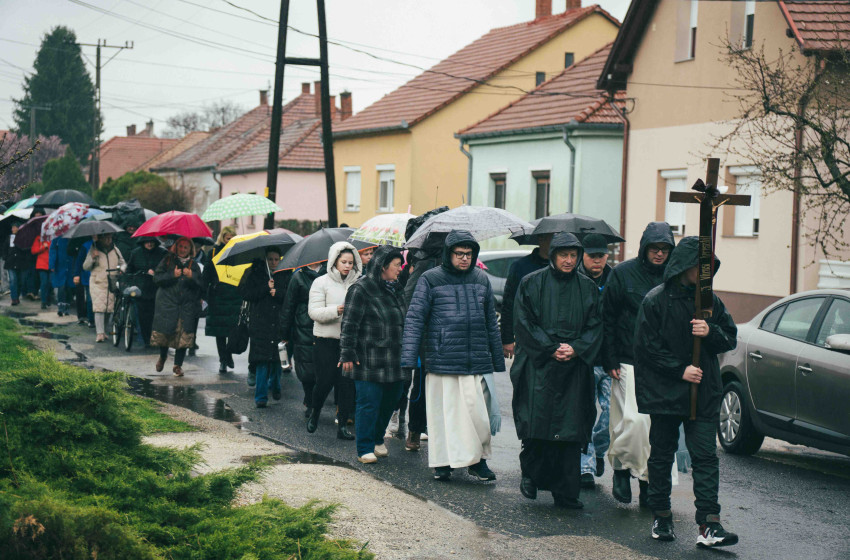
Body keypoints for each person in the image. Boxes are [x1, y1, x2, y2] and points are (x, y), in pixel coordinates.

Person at [634, 236, 738, 547]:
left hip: (703, 393)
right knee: (662, 456)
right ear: (684, 266)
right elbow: (645, 348)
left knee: (705, 458)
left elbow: (729, 338)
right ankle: (662, 517)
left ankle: (709, 525)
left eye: (709, 267)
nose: (706, 272)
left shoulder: (710, 303)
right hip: (666, 394)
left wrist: (710, 331)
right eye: (700, 266)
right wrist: (680, 370)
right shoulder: (656, 301)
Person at [402, 230, 505, 482]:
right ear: (449, 254)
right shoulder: (430, 279)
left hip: (475, 359)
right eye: (459, 253)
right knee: (443, 416)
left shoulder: (481, 278)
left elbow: (491, 321)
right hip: (442, 358)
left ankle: (477, 461)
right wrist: (408, 358)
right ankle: (443, 463)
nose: (464, 258)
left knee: (477, 416)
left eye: (469, 254)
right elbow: (415, 319)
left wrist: (497, 359)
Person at [510, 232, 602, 508]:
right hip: (539, 365)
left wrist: (576, 348)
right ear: (553, 256)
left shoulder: (587, 288)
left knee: (571, 429)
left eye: (574, 255)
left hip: (574, 368)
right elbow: (523, 321)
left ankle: (566, 491)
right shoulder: (532, 282)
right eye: (564, 255)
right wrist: (550, 347)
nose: (569, 260)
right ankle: (532, 475)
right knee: (537, 422)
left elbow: (596, 325)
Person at [602, 222, 675, 505]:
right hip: (627, 359)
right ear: (645, 248)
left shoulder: (674, 277)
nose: (659, 254)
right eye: (655, 249)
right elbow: (606, 316)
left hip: (662, 363)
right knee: (632, 421)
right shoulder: (622, 274)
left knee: (656, 428)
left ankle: (648, 483)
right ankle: (621, 469)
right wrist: (608, 357)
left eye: (665, 249)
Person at [339, 245, 408, 463]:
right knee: (368, 403)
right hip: (368, 357)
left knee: (392, 399)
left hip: (395, 357)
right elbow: (349, 324)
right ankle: (365, 447)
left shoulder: (397, 288)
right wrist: (347, 353)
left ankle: (378, 438)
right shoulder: (361, 289)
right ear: (383, 266)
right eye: (397, 265)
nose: (400, 269)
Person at [306, 242, 362, 439]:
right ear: (334, 262)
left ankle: (342, 426)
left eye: (350, 262)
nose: (347, 266)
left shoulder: (358, 283)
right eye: (343, 262)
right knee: (324, 382)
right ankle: (315, 412)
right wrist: (337, 310)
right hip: (325, 341)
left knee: (346, 384)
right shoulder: (320, 282)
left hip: (348, 342)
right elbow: (313, 312)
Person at [576, 233, 614, 489]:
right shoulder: (575, 280)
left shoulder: (616, 280)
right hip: (583, 359)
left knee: (610, 414)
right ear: (583, 257)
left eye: (601, 256)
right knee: (584, 414)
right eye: (592, 257)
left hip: (610, 359)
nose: (597, 261)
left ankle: (599, 451)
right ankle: (585, 466)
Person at [150, 237, 203, 377]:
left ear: (190, 249)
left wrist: (192, 276)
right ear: (176, 247)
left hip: (186, 305)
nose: (183, 249)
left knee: (183, 335)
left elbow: (200, 285)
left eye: (186, 247)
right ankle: (163, 356)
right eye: (180, 246)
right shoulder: (167, 261)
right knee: (166, 333)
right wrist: (172, 275)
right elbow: (157, 278)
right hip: (168, 303)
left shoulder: (194, 265)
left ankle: (178, 365)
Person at [241, 249, 286, 408]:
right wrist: (265, 288)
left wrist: (277, 293)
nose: (273, 262)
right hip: (260, 323)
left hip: (279, 322)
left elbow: (290, 297)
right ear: (265, 260)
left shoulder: (285, 274)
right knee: (261, 360)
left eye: (276, 259)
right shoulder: (256, 274)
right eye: (270, 259)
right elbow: (246, 294)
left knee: (277, 359)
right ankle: (260, 396)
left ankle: (276, 386)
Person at [281, 261, 324, 417]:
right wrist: (284, 332)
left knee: (321, 366)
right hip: (303, 325)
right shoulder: (298, 277)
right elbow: (289, 305)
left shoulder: (329, 273)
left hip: (323, 322)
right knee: (305, 365)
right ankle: (310, 400)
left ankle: (316, 400)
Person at [500, 233, 553, 359]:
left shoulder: (562, 267)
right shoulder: (521, 267)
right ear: (541, 239)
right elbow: (509, 303)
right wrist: (507, 339)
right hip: (527, 336)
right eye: (553, 237)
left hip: (555, 337)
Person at [203, 227, 241, 373]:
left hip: (234, 295)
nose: (229, 240)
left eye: (232, 237)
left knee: (232, 330)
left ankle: (228, 354)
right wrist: (205, 294)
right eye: (227, 237)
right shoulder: (213, 252)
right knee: (220, 332)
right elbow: (207, 273)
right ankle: (223, 360)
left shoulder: (238, 253)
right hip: (217, 295)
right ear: (222, 238)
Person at [83, 233, 125, 342]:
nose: (108, 240)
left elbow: (123, 262)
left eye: (110, 237)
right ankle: (99, 333)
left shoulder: (115, 249)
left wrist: (121, 269)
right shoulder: (94, 248)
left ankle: (104, 331)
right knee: (99, 308)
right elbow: (86, 267)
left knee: (109, 309)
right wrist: (92, 258)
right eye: (106, 238)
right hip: (97, 281)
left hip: (111, 282)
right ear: (100, 238)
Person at [126, 237, 167, 345]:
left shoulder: (162, 253)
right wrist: (143, 272)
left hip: (156, 288)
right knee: (143, 316)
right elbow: (129, 270)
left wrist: (156, 271)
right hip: (141, 289)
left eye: (152, 241)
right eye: (147, 241)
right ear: (143, 242)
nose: (149, 244)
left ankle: (155, 338)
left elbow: (167, 268)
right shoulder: (136, 253)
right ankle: (146, 339)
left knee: (156, 315)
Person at [49, 236, 76, 316]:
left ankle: (67, 306)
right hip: (60, 265)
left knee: (69, 287)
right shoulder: (57, 238)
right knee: (61, 286)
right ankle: (60, 307)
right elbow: (52, 250)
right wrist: (52, 265)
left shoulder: (73, 237)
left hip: (71, 265)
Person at [73, 240, 94, 326]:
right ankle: (91, 319)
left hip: (99, 276)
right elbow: (79, 261)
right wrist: (77, 274)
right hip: (88, 275)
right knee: (90, 298)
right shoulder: (86, 246)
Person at [4, 224, 26, 305]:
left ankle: (17, 295)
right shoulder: (8, 238)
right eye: (12, 227)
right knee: (13, 280)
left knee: (20, 281)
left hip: (20, 262)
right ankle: (14, 298)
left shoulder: (23, 237)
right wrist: (5, 257)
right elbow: (5, 248)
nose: (13, 229)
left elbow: (25, 249)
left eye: (15, 227)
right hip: (10, 262)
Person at [31, 237, 52, 309]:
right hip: (41, 264)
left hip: (51, 264)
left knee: (50, 283)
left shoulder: (53, 238)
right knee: (44, 283)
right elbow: (33, 251)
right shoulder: (38, 238)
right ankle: (43, 301)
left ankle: (47, 298)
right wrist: (43, 247)